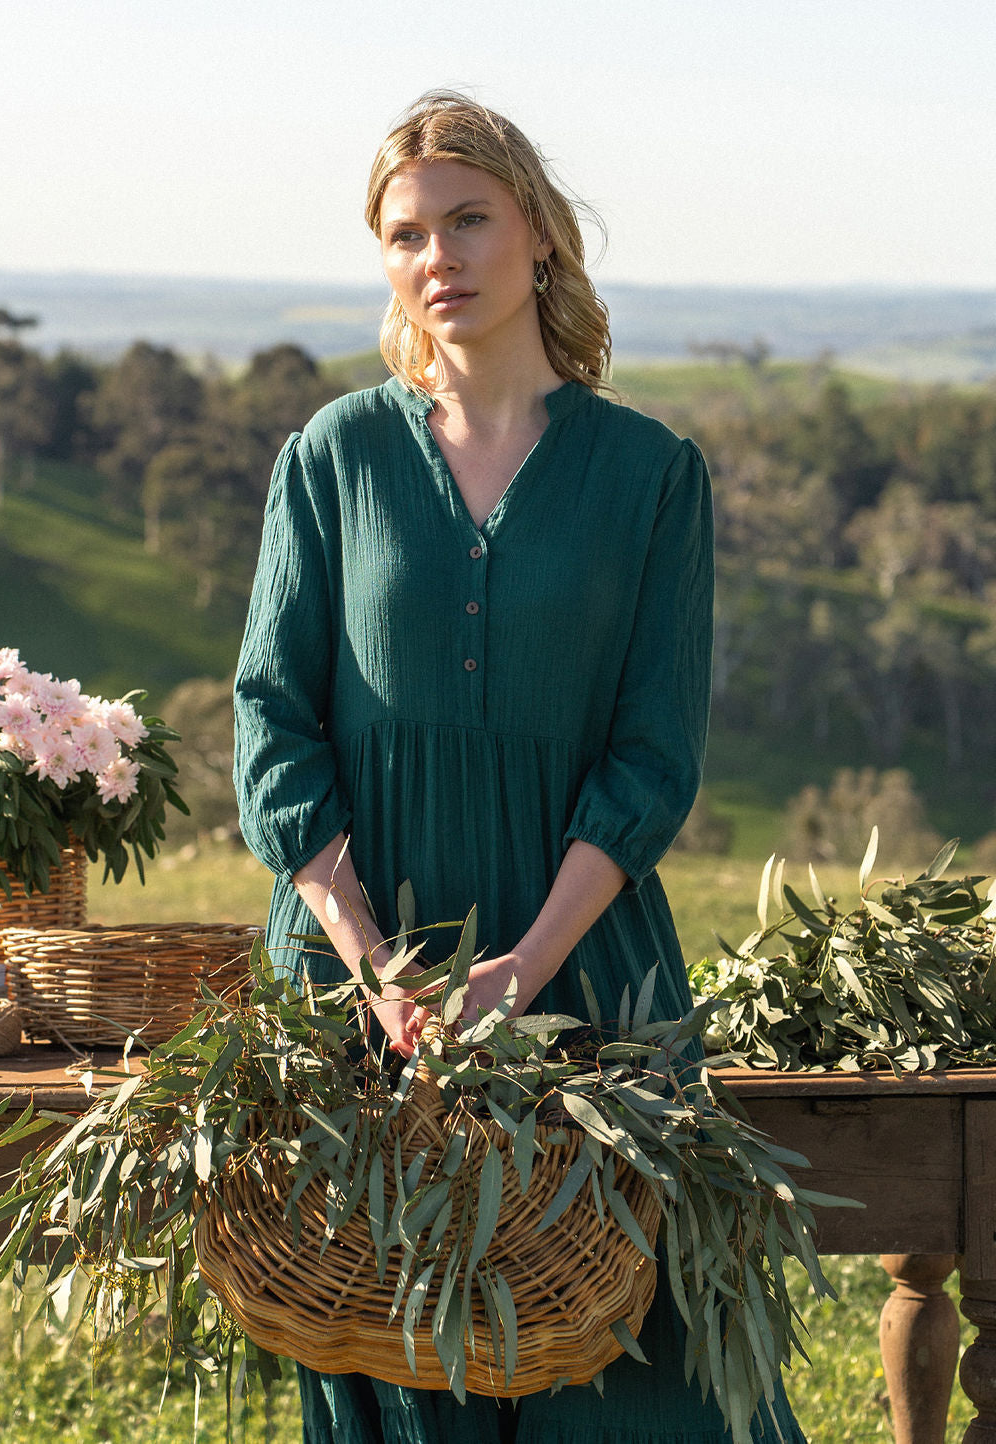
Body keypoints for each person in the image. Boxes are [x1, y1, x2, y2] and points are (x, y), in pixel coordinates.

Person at [234, 90, 805, 1444]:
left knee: (633, 1372)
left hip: (585, 968)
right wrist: (378, 969)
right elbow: (272, 722)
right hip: (366, 982)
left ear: (538, 232)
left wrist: (523, 974)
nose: (440, 255)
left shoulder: (653, 475)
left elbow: (653, 755)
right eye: (406, 232)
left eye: (470, 218)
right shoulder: (333, 459)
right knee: (397, 1351)